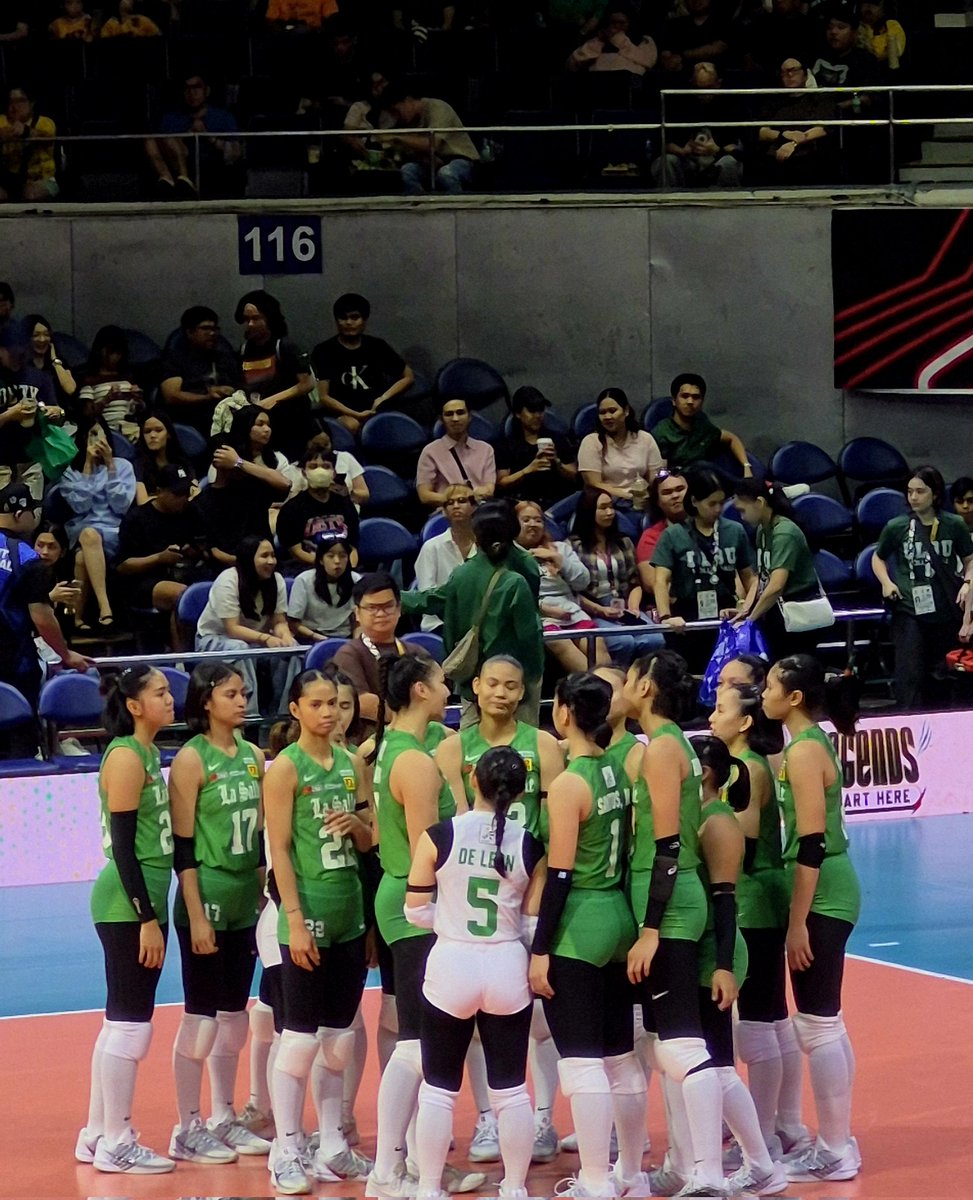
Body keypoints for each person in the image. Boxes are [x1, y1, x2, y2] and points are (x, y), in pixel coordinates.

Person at [435, 654, 566, 1162]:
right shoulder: (451, 749)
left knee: (540, 1019)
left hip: (528, 897)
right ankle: (487, 1119)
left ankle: (543, 1119)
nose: (502, 693)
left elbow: (556, 832)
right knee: (470, 1020)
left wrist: (541, 897)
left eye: (513, 685)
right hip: (476, 907)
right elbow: (451, 834)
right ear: (475, 686)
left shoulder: (544, 746)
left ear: (523, 691)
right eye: (493, 683)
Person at [368, 655, 486, 1199]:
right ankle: (388, 1171)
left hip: (404, 899)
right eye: (442, 682)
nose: (448, 690)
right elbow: (427, 849)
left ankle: (415, 1163)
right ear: (420, 690)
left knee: (420, 1041)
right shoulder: (413, 761)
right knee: (416, 1042)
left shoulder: (393, 744)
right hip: (415, 905)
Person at [406, 746, 546, 1200]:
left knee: (438, 1088)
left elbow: (413, 911)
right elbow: (531, 924)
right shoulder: (529, 843)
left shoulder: (439, 834)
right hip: (507, 964)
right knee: (511, 1091)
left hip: (451, 963)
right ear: (521, 792)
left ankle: (428, 1187)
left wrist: (449, 920)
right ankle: (515, 1188)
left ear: (473, 780)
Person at [528, 672, 645, 1200]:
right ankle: (632, 1176)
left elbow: (559, 874)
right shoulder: (618, 770)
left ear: (563, 712)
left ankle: (596, 1181)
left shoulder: (571, 782)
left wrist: (540, 948)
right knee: (620, 1057)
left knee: (580, 1063)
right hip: (619, 916)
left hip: (580, 924)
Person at [264, 668, 375, 1194]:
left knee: (338, 1042)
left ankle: (332, 1143)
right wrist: (292, 920)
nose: (329, 712)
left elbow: (371, 837)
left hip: (349, 913)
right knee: (298, 1041)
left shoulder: (354, 765)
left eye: (336, 703)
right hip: (306, 918)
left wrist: (363, 828)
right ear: (297, 710)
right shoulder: (285, 769)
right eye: (318, 704)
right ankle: (286, 1148)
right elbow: (279, 849)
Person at [620, 650, 724, 1197]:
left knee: (683, 1042)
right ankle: (686, 1166)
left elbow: (666, 847)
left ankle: (709, 1174)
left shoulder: (662, 749)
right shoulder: (665, 744)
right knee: (666, 1043)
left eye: (631, 676)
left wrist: (651, 928)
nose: (625, 683)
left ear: (646, 688)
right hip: (667, 897)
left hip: (669, 902)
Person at [761, 654, 862, 1184]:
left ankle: (835, 1149)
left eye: (770, 686)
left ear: (793, 698)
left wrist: (797, 922)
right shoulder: (802, 746)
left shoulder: (802, 753)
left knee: (817, 1024)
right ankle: (837, 1139)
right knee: (827, 1023)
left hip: (823, 892)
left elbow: (812, 844)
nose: (762, 693)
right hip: (830, 888)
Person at [167, 663, 270, 1164]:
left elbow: (260, 840)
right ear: (207, 701)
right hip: (205, 895)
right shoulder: (191, 759)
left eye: (244, 693)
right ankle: (186, 1126)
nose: (241, 701)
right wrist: (196, 915)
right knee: (200, 1018)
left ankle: (223, 1116)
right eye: (231, 693)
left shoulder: (254, 755)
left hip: (242, 901)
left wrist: (261, 891)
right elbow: (182, 848)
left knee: (233, 1020)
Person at [76, 666, 176, 1175]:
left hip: (135, 904)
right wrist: (147, 917)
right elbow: (122, 847)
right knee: (132, 1027)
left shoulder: (147, 752)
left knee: (119, 1021)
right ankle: (118, 1140)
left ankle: (96, 1133)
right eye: (159, 693)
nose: (170, 698)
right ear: (134, 704)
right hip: (126, 905)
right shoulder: (125, 757)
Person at [709, 681, 809, 1160]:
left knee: (757, 1023)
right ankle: (783, 1125)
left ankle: (765, 1133)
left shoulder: (747, 768)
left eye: (722, 709)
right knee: (771, 1018)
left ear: (745, 722)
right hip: (761, 897)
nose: (712, 716)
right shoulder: (751, 764)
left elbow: (742, 835)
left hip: (753, 900)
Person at [688, 735, 788, 1197]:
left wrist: (723, 965)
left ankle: (761, 1165)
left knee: (718, 1065)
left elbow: (725, 902)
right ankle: (755, 1164)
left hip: (718, 955)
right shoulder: (698, 817)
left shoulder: (718, 823)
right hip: (704, 951)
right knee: (709, 1063)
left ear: (704, 773)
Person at [402, 501, 545, 726]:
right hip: (515, 679)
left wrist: (392, 595)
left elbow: (429, 601)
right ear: (514, 531)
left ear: (476, 536)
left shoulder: (462, 574)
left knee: (470, 746)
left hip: (474, 678)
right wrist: (530, 679)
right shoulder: (525, 569)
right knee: (522, 745)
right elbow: (530, 636)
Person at [871, 464, 973, 711]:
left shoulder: (954, 525)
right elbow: (878, 557)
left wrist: (968, 582)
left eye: (920, 491)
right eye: (909, 492)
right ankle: (911, 722)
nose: (914, 497)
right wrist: (886, 582)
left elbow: (970, 560)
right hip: (909, 610)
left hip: (946, 609)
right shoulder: (897, 526)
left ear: (935, 494)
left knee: (943, 676)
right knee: (910, 676)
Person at [0, 485, 90, 757]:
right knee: (17, 749)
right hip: (12, 664)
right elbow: (41, 616)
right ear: (20, 513)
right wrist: (66, 653)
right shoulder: (26, 557)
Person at [651, 465, 756, 670]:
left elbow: (750, 577)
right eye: (711, 504)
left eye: (721, 502)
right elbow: (661, 581)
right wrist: (666, 617)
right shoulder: (673, 535)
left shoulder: (735, 531)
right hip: (686, 617)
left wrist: (745, 609)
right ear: (694, 502)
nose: (718, 509)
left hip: (725, 613)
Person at [194, 535, 296, 714]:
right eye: (264, 556)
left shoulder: (277, 580)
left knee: (291, 650)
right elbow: (232, 629)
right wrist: (266, 638)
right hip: (215, 640)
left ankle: (282, 716)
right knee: (241, 649)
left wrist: (285, 636)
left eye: (273, 555)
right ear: (249, 558)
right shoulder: (228, 580)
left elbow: (279, 621)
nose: (271, 561)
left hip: (257, 641)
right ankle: (248, 717)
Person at [60, 416, 137, 632]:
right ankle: (105, 609)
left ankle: (77, 619)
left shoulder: (123, 466)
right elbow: (80, 507)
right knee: (89, 534)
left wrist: (111, 466)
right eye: (90, 435)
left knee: (81, 558)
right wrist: (87, 466)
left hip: (114, 532)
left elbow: (121, 506)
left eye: (99, 433)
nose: (95, 439)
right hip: (81, 531)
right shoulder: (70, 471)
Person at [733, 477, 823, 660]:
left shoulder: (784, 532)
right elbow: (761, 577)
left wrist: (751, 620)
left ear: (759, 502)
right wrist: (746, 609)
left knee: (794, 674)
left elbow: (775, 586)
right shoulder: (763, 530)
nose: (741, 517)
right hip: (777, 613)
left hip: (796, 614)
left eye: (742, 510)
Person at [570, 488, 663, 664]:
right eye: (603, 508)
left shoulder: (624, 542)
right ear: (589, 511)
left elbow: (634, 582)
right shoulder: (574, 546)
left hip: (624, 606)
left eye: (611, 507)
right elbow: (573, 592)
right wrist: (600, 610)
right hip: (593, 608)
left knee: (655, 639)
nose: (610, 512)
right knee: (623, 641)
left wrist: (634, 608)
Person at [332, 572, 427, 735]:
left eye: (388, 606)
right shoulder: (349, 654)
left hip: (419, 732)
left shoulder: (416, 651)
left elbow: (433, 695)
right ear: (357, 613)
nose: (381, 614)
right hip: (369, 737)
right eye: (372, 608)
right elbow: (362, 702)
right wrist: (412, 716)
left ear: (399, 609)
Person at [116, 464, 201, 644]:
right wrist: (159, 558)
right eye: (177, 494)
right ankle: (183, 658)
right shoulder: (137, 518)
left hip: (185, 572)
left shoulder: (191, 511)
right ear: (159, 491)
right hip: (143, 582)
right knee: (184, 596)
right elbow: (123, 566)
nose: (183, 498)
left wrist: (192, 551)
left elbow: (203, 543)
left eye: (186, 492)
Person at [312, 293, 415, 435]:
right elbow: (324, 396)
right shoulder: (324, 351)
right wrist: (355, 414)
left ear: (364, 320)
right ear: (336, 321)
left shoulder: (377, 346)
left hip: (376, 411)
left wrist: (383, 398)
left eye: (354, 317)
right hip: (342, 414)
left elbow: (408, 377)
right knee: (352, 425)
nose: (349, 323)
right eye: (343, 318)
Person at [516, 498, 599, 672]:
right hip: (538, 615)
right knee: (560, 642)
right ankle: (599, 687)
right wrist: (546, 609)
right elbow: (515, 596)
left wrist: (558, 559)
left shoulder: (561, 548)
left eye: (538, 520)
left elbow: (583, 582)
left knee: (596, 644)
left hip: (571, 611)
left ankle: (607, 687)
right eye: (526, 520)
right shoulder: (511, 555)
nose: (533, 524)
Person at [191, 423, 290, 567]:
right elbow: (213, 551)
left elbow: (285, 483)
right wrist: (247, 564)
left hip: (266, 563)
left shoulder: (254, 489)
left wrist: (240, 462)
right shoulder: (202, 503)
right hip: (227, 570)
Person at [235, 290, 314, 461]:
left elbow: (307, 384)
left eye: (256, 319)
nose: (250, 324)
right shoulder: (244, 350)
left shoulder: (285, 347)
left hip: (291, 423)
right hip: (262, 426)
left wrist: (274, 399)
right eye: (246, 320)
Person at [650, 61, 745, 189]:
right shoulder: (677, 103)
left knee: (729, 163)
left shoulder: (732, 105)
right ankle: (668, 203)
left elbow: (738, 147)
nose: (703, 94)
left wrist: (717, 149)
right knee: (666, 161)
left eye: (709, 87)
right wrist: (681, 150)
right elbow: (660, 141)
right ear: (692, 84)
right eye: (699, 88)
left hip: (717, 159)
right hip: (685, 160)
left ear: (718, 84)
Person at [146, 74, 242, 200]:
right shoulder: (170, 119)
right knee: (150, 141)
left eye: (197, 87)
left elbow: (235, 154)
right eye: (187, 89)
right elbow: (163, 147)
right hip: (178, 167)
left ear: (206, 91)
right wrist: (188, 134)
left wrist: (208, 136)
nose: (192, 93)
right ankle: (175, 182)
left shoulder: (224, 118)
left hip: (214, 168)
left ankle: (186, 185)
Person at [381, 81, 480, 195]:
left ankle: (456, 209)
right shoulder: (407, 122)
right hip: (431, 163)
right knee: (408, 171)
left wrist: (397, 137)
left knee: (446, 173)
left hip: (460, 159)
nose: (396, 117)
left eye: (396, 111)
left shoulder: (438, 108)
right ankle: (417, 207)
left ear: (408, 101)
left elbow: (432, 144)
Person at [276, 440, 360, 573]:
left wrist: (349, 569)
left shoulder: (345, 503)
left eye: (326, 466)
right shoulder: (292, 509)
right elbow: (296, 551)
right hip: (307, 569)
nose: (320, 471)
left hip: (343, 568)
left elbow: (353, 547)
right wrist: (325, 565)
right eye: (313, 466)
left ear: (333, 473)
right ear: (304, 473)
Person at [159, 306, 241, 433]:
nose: (212, 333)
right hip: (191, 418)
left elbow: (241, 386)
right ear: (190, 332)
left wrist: (232, 391)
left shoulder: (223, 357)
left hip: (226, 417)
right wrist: (207, 396)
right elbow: (172, 395)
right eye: (205, 329)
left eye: (215, 329)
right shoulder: (175, 359)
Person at [652, 374, 752, 476]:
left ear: (702, 402)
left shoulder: (702, 427)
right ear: (674, 400)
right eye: (685, 396)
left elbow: (731, 439)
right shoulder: (662, 432)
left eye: (696, 397)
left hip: (706, 480)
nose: (690, 402)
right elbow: (660, 474)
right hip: (678, 484)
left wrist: (746, 466)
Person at [495, 386, 577, 509]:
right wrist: (529, 470)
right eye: (532, 411)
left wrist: (557, 462)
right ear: (518, 413)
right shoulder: (506, 445)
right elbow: (502, 482)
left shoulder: (557, 439)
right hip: (523, 504)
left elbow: (574, 476)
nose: (538, 415)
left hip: (557, 502)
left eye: (541, 410)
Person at [754, 59, 832, 187]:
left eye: (794, 70)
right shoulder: (772, 101)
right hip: (776, 150)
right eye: (784, 72)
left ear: (805, 74)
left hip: (808, 151)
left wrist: (793, 143)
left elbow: (822, 129)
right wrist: (784, 135)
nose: (789, 75)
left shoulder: (819, 99)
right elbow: (763, 132)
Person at [577, 389, 662, 505]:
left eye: (612, 411)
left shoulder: (645, 438)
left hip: (642, 500)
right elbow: (594, 484)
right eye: (602, 412)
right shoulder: (591, 441)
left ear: (626, 411)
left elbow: (655, 479)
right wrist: (628, 496)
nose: (607, 417)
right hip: (607, 503)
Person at [414, 483, 477, 631]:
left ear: (474, 507)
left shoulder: (486, 546)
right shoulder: (431, 547)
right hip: (440, 624)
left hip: (479, 623)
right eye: (450, 503)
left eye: (462, 501)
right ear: (443, 511)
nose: (455, 506)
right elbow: (426, 595)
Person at [416, 397, 497, 508]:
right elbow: (424, 495)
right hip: (448, 511)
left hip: (479, 511)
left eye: (460, 413)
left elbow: (489, 490)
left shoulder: (485, 449)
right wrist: (459, 500)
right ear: (441, 419)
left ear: (469, 417)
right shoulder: (430, 451)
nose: (455, 418)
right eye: (449, 414)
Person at [287, 533, 357, 642]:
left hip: (346, 638)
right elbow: (293, 623)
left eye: (342, 556)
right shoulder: (304, 580)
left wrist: (356, 642)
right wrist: (320, 639)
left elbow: (358, 620)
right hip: (311, 638)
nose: (337, 561)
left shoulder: (356, 580)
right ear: (320, 559)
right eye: (330, 556)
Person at [76, 326, 144, 436]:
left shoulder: (128, 377)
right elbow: (87, 414)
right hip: (105, 429)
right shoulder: (90, 379)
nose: (115, 357)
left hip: (130, 427)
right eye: (112, 352)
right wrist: (107, 399)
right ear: (101, 351)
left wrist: (138, 399)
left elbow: (138, 410)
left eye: (119, 353)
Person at [0, 86, 59, 203]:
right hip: (8, 180)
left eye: (20, 101)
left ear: (31, 103)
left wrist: (26, 132)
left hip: (42, 179)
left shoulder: (44, 122)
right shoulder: (2, 121)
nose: (14, 106)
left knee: (31, 193)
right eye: (11, 101)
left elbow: (47, 138)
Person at [567, 6, 657, 75]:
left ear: (630, 23)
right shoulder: (597, 40)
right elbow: (572, 64)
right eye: (613, 23)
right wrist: (599, 42)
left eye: (622, 23)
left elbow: (649, 61)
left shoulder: (644, 40)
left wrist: (618, 40)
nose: (617, 26)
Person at [132, 411, 196, 507]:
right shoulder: (138, 464)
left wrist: (158, 498)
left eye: (158, 430)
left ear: (168, 434)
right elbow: (142, 501)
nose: (152, 435)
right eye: (147, 431)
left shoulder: (180, 463)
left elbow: (193, 491)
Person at [19, 313, 76, 417]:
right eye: (36, 335)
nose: (42, 339)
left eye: (46, 334)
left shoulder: (58, 362)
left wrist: (54, 360)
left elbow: (70, 389)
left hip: (61, 418)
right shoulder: (19, 365)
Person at [297, 429, 369, 509]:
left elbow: (364, 495)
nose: (322, 449)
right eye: (317, 445)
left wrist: (347, 493)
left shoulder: (345, 457)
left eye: (326, 444)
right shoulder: (295, 467)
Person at [657, 0, 731, 75]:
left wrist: (682, 56)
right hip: (681, 81)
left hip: (722, 81)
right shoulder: (673, 25)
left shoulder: (726, 24)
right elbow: (665, 54)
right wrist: (669, 62)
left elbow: (716, 48)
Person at [858, 0, 906, 72]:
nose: (869, 6)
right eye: (865, 2)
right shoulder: (853, 28)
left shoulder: (891, 25)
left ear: (882, 9)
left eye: (875, 4)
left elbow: (895, 54)